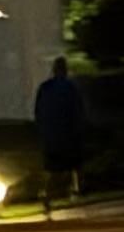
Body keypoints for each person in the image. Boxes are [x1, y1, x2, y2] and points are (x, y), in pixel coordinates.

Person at [32, 53, 88, 211]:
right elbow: (78, 111)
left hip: (51, 135)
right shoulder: (71, 87)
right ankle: (77, 190)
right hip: (68, 133)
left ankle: (48, 195)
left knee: (53, 169)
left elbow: (38, 112)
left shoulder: (46, 88)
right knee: (76, 163)